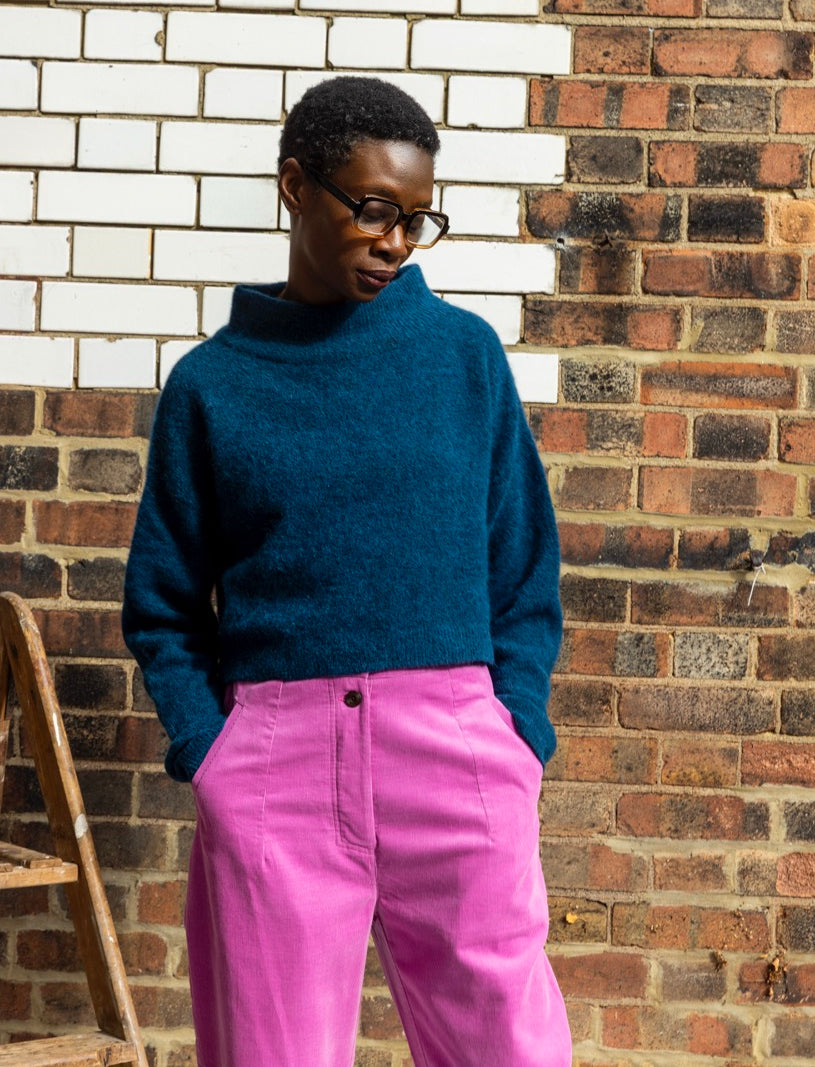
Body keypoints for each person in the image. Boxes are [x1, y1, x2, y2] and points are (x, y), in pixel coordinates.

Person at [122, 76, 571, 1067]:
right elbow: (161, 603)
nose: (395, 239)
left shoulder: (462, 358)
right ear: (294, 186)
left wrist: (515, 732)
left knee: (507, 1046)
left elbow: (523, 570)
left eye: (416, 218)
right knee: (269, 1050)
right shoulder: (212, 386)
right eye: (372, 209)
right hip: (274, 763)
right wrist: (214, 750)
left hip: (458, 752)